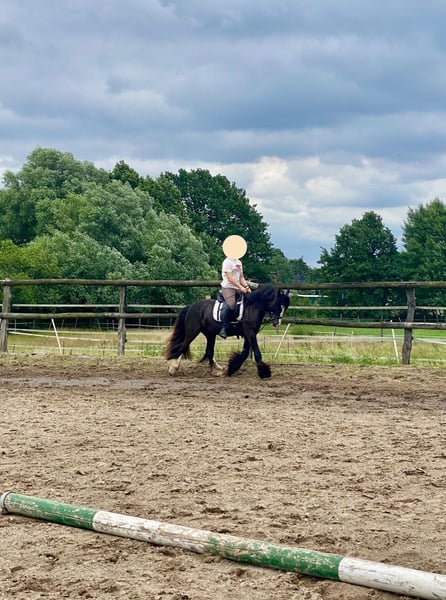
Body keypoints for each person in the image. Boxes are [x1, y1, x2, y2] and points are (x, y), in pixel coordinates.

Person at [218, 254, 251, 338]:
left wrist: (246, 287)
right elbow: (230, 278)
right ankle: (224, 328)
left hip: (238, 287)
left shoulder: (239, 262)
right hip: (228, 287)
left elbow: (241, 277)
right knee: (231, 305)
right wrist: (241, 287)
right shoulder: (227, 262)